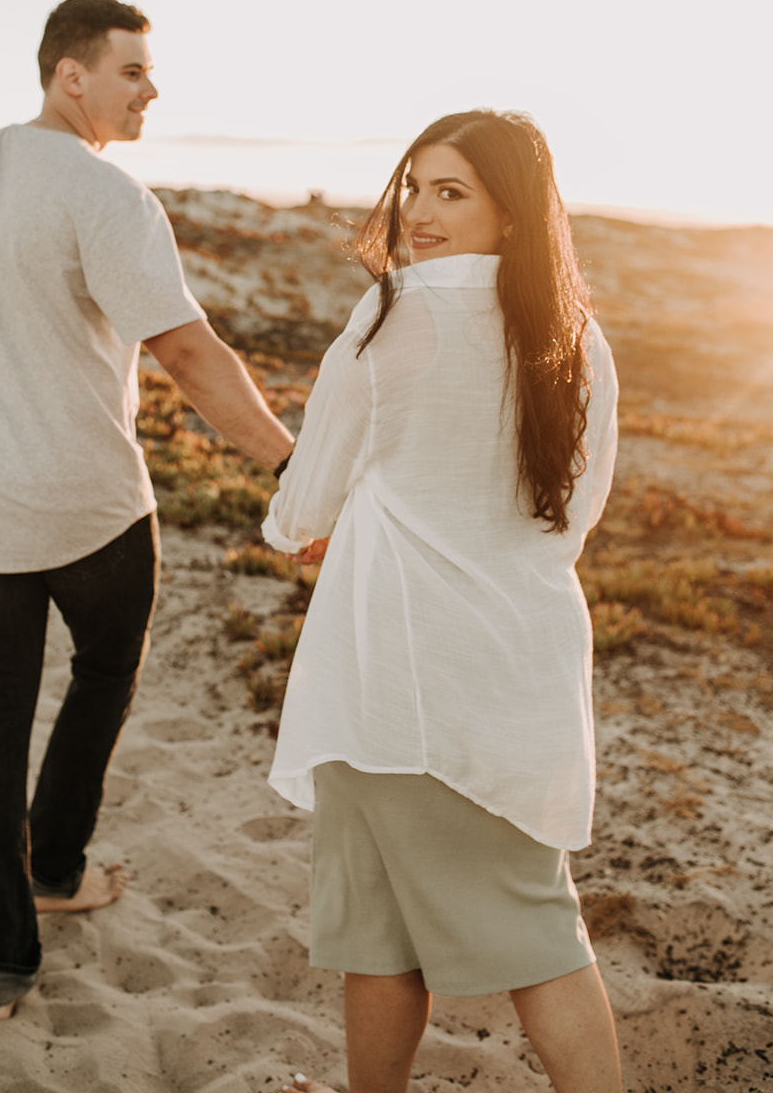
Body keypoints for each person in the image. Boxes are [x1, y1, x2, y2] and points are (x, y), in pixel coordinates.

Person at [0, 0, 294, 1020]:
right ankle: (57, 868)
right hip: (91, 507)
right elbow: (189, 354)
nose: (150, 89)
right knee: (103, 675)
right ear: (71, 74)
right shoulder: (104, 193)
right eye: (132, 71)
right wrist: (291, 464)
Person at [262, 110, 622, 1093]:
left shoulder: (389, 315)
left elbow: (299, 512)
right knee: (393, 927)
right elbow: (572, 513)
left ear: (510, 211)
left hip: (388, 670)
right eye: (413, 186)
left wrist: (334, 513)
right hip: (517, 662)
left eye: (448, 191)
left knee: (528, 934)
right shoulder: (577, 338)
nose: (417, 211)